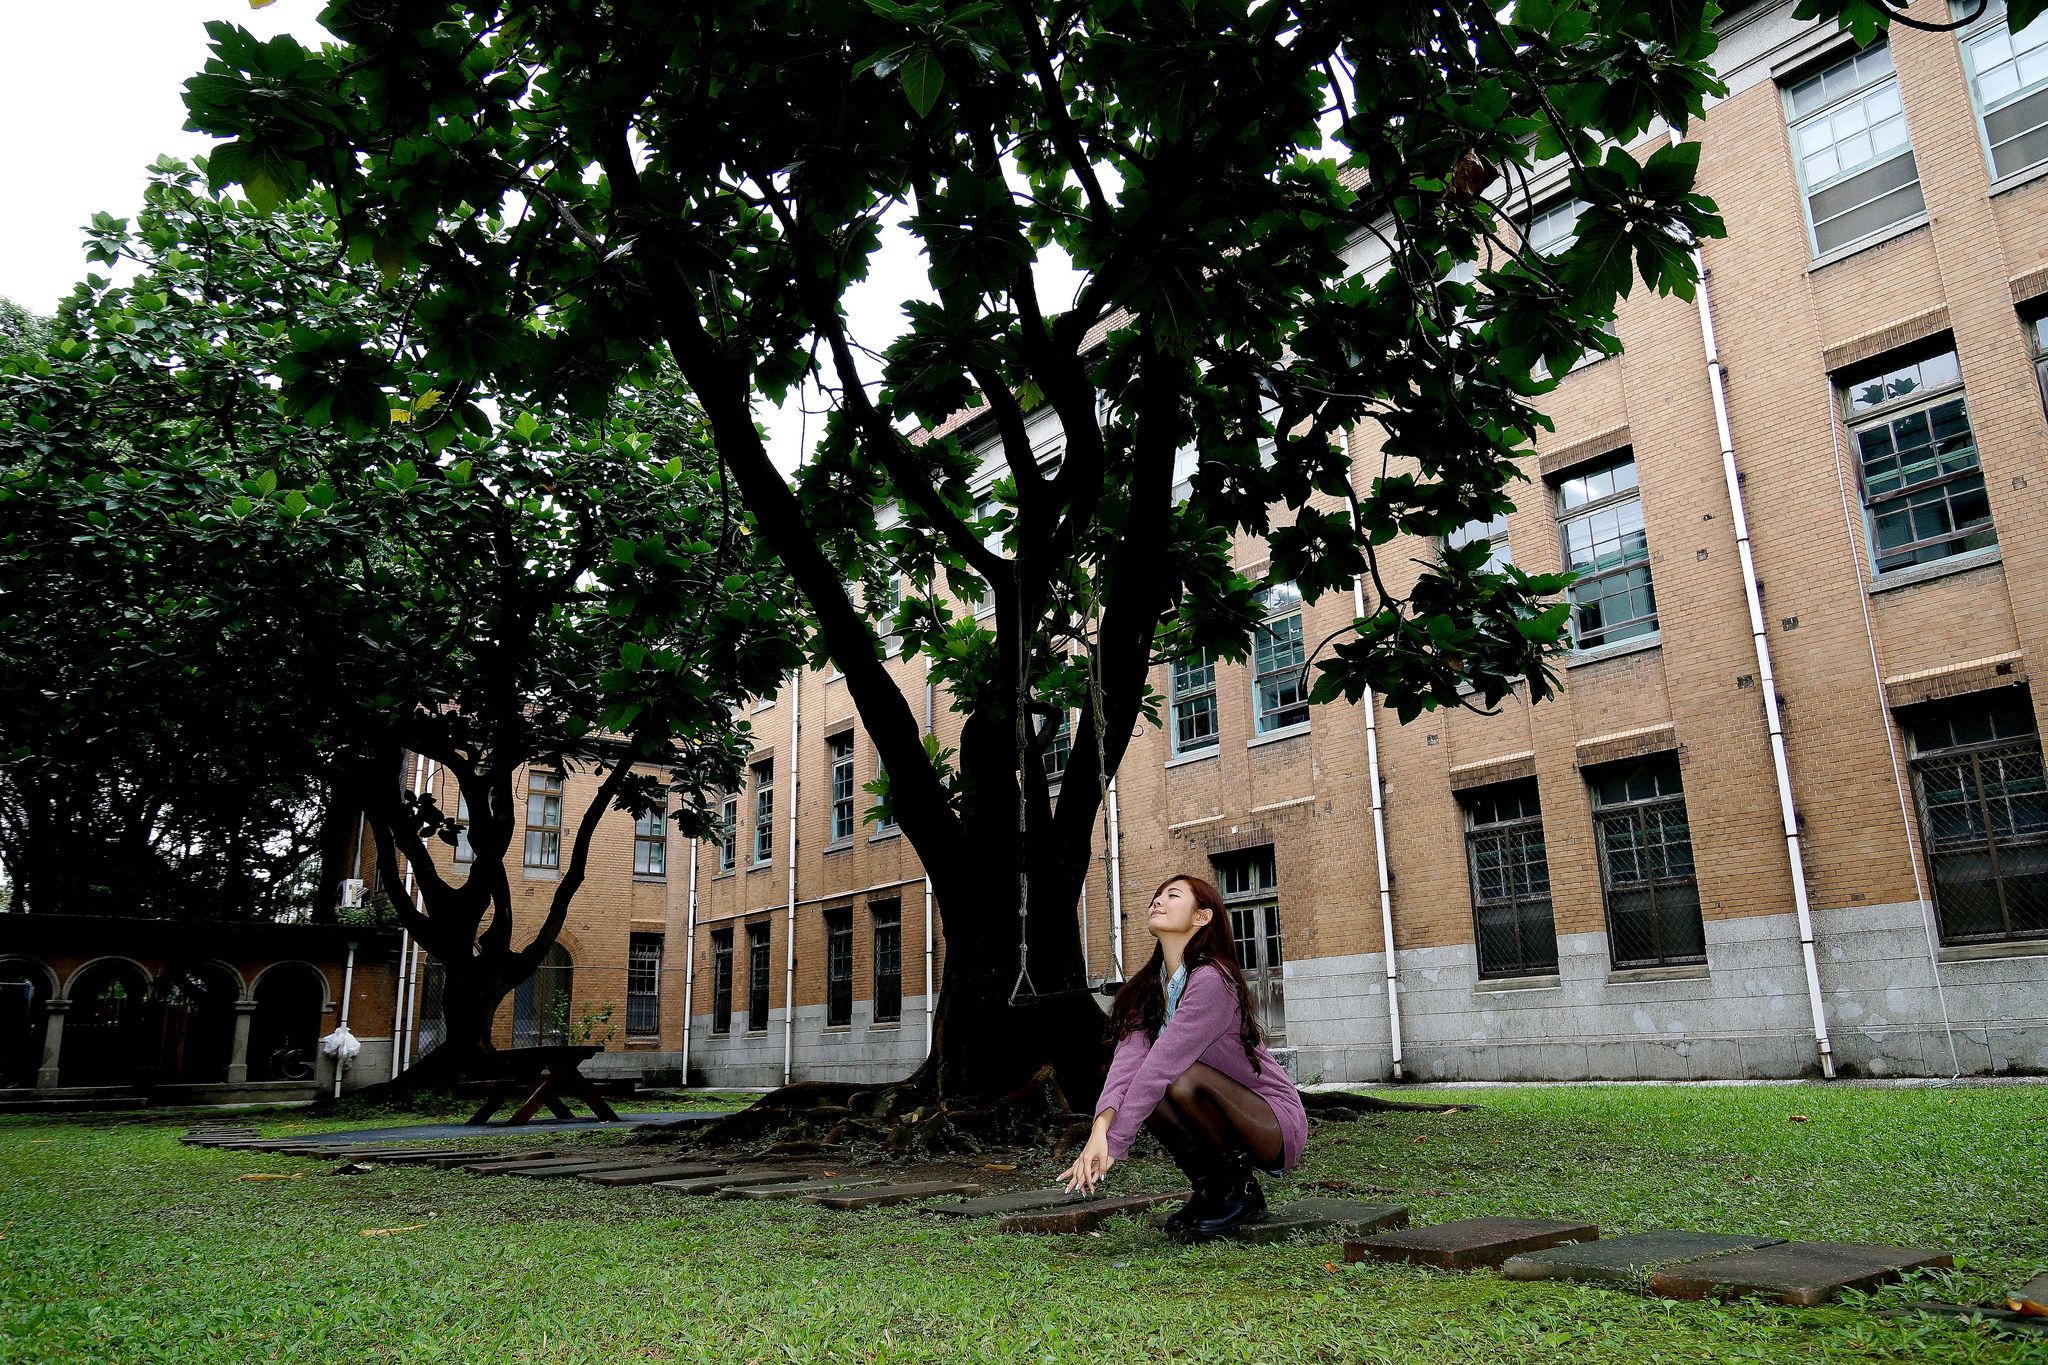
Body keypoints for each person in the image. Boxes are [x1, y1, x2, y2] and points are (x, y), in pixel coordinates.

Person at [1057, 873, 1308, 1238]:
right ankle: (1211, 1191)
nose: (1157, 901)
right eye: (1156, 896)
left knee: (1177, 1078)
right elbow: (1128, 1067)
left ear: (1201, 917)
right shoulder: (1149, 988)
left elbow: (1161, 1067)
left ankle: (1242, 1193)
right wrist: (1100, 1131)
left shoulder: (1211, 980)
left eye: (1172, 896)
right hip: (1215, 1107)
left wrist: (1115, 1145)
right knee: (1151, 1090)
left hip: (1271, 1122)